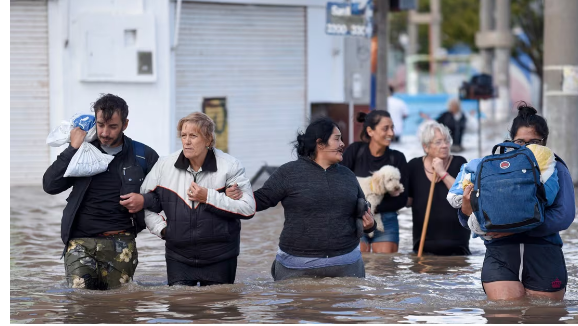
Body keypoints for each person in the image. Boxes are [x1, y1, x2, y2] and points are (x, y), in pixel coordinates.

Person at [226, 117, 376, 280]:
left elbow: (362, 212)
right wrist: (235, 197)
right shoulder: (289, 173)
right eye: (337, 138)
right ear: (320, 143)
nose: (342, 144)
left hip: (347, 266)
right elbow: (259, 200)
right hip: (296, 267)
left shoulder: (347, 175)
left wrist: (370, 225)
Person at [459, 103, 576, 301]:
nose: (527, 148)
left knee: (544, 317)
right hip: (501, 255)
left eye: (534, 142)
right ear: (511, 140)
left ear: (544, 142)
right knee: (504, 316)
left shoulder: (557, 169)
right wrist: (465, 210)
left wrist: (513, 229)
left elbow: (564, 216)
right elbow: (468, 220)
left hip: (544, 254)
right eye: (520, 142)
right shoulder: (494, 168)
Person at [43, 93, 159, 290]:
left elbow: (167, 197)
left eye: (113, 126)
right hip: (79, 241)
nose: (105, 132)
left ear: (125, 124)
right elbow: (50, 185)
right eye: (100, 125)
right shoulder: (82, 152)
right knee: (80, 304)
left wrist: (145, 200)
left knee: (119, 308)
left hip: (121, 241)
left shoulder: (143, 155)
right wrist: (72, 148)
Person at [142, 112, 256, 286]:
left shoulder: (230, 166)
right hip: (178, 257)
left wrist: (208, 196)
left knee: (218, 309)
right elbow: (143, 202)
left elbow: (248, 208)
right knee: (181, 308)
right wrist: (163, 230)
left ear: (208, 140)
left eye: (193, 136)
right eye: (183, 135)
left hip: (221, 256)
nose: (186, 141)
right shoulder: (164, 165)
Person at [341, 110, 409, 254]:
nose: (391, 133)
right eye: (386, 128)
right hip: (354, 218)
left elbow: (402, 199)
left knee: (384, 267)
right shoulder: (354, 151)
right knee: (357, 268)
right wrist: (361, 211)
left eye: (392, 128)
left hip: (387, 219)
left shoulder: (398, 158)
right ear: (370, 131)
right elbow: (340, 184)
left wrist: (373, 210)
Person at [407, 123, 471, 255]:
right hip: (423, 244)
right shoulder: (414, 166)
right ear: (425, 147)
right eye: (438, 142)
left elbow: (463, 195)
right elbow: (407, 201)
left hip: (457, 245)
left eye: (447, 141)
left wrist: (442, 173)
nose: (445, 145)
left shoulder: (460, 163)